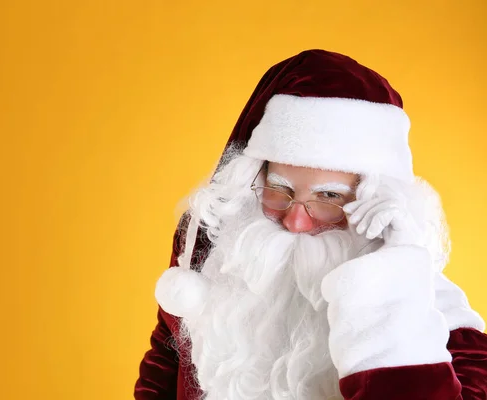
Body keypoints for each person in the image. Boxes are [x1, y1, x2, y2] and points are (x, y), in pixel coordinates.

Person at [134, 49, 487, 400]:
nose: (296, 221)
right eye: (279, 189)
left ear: (372, 201)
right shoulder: (221, 256)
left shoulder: (429, 312)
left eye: (329, 197)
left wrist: (388, 284)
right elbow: (166, 364)